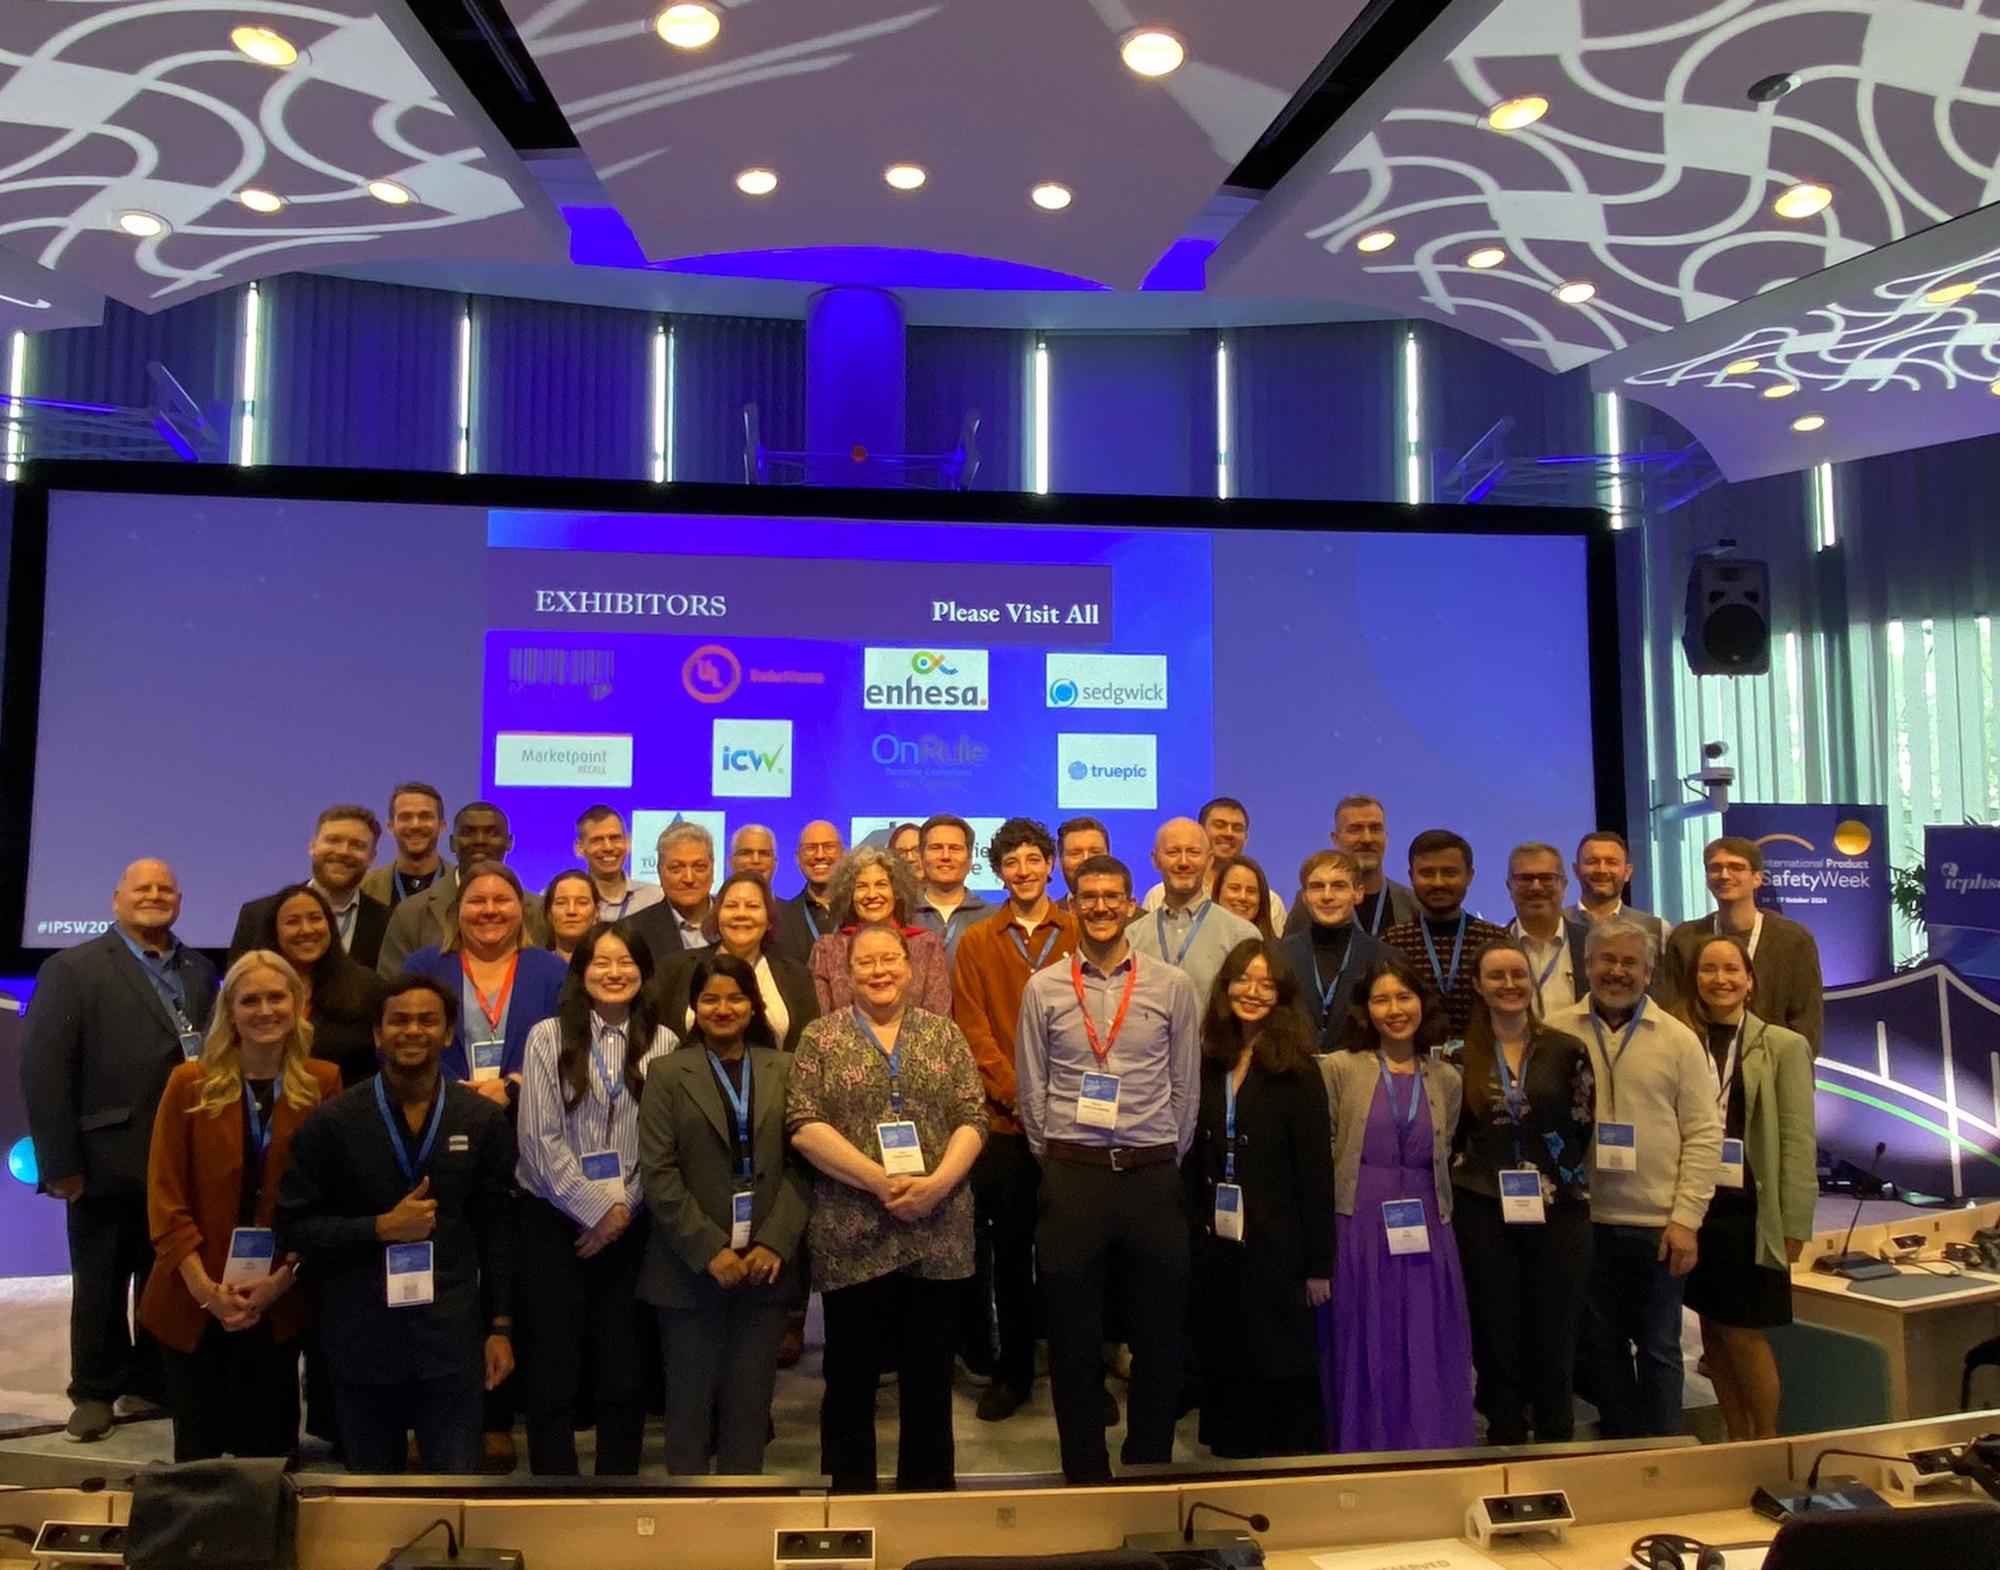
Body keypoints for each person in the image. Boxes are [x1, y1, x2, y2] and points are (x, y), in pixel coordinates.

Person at [277, 975, 516, 1474]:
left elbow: (498, 1230)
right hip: (362, 1337)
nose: (412, 1030)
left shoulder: (481, 1120)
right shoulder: (333, 1123)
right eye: (399, 1020)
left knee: (455, 1490)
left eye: (427, 1020)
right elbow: (295, 1226)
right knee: (373, 1494)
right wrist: (381, 1228)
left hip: (450, 1339)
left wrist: (500, 1327)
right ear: (377, 1033)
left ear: (448, 1034)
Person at [1017, 853, 1200, 1485]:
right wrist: (1061, 1158)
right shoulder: (1043, 988)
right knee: (1072, 1336)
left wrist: (1161, 1150)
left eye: (1111, 897)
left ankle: (1149, 1466)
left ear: (1130, 905)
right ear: (1071, 906)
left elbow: (1185, 1087)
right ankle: (1084, 1474)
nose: (1099, 907)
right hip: (1074, 1176)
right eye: (1087, 897)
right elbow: (1033, 1089)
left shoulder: (1171, 985)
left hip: (1151, 1174)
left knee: (1159, 1333)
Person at [22, 859, 220, 1442]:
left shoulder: (200, 969)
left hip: (179, 1156)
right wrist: (59, 1165)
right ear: (116, 900)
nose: (155, 896)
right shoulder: (72, 968)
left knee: (165, 1275)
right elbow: (44, 1070)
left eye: (165, 888)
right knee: (101, 1284)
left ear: (179, 900)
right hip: (102, 1159)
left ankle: (151, 1381)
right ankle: (93, 1391)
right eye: (143, 888)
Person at [786, 924, 986, 1492]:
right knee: (849, 1381)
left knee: (929, 1383)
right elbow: (802, 1123)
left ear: (910, 966)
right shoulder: (821, 1038)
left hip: (936, 1231)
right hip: (852, 1233)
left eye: (890, 960)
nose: (879, 972)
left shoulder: (943, 1034)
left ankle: (925, 1507)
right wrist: (880, 1182)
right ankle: (850, 1509)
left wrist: (935, 1185)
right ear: (847, 972)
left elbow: (973, 1117)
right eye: (866, 962)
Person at [139, 952, 339, 1461]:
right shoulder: (188, 1083)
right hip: (193, 1296)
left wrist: (280, 1282)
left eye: (276, 997)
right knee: (198, 1459)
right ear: (229, 1012)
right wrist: (206, 1290)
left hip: (277, 1301)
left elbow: (327, 1198)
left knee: (267, 1455)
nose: (265, 1010)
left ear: (298, 1005)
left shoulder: (324, 1083)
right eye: (250, 1000)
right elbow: (165, 1196)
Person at [1546, 918, 1721, 1440]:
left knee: (1661, 1348)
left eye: (1630, 963)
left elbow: (1704, 1134)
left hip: (1658, 1224)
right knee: (1600, 1346)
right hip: (1585, 1219)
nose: (1617, 972)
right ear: (1587, 966)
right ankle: (1623, 1452)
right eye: (1607, 960)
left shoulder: (1679, 1040)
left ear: (1648, 972)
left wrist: (1687, 1220)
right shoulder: (1556, 1031)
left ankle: (1664, 1454)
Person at [639, 952, 810, 1474]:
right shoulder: (667, 1073)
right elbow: (658, 1173)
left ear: (753, 1005)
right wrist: (709, 1249)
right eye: (710, 998)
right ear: (694, 1007)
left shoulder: (785, 1068)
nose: (723, 1008)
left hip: (764, 1269)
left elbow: (803, 1166)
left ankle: (742, 1513)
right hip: (688, 1271)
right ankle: (688, 1521)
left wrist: (774, 1242)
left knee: (749, 1412)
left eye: (735, 998)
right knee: (688, 1413)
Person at [513, 923, 675, 1475]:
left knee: (623, 1371)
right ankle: (553, 1488)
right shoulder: (547, 1037)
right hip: (553, 1220)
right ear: (581, 972)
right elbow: (538, 1141)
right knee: (552, 1369)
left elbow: (662, 1145)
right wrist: (595, 1210)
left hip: (630, 1223)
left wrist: (621, 1211)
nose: (614, 973)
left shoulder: (664, 1043)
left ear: (643, 972)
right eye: (601, 962)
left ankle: (617, 1487)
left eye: (625, 962)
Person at [1183, 939, 1333, 1458]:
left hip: (1279, 1244)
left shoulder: (1298, 1071)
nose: (1252, 991)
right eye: (1243, 980)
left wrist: (1319, 1265)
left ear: (1283, 994)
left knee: (1278, 1355)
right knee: (1226, 1348)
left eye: (1266, 983)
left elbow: (1315, 1172)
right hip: (1218, 1241)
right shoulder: (1210, 1061)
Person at [1321, 955, 1475, 1452]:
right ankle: (1366, 1443)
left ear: (1422, 1003)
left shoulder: (1446, 1078)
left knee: (1426, 1334)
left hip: (1428, 1222)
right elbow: (1328, 1144)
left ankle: (1430, 1442)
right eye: (1381, 1000)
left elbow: (1444, 1144)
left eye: (1404, 997)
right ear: (1365, 1010)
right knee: (1369, 1334)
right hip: (1361, 1221)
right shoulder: (1340, 1069)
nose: (1394, 1010)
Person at [949, 816, 1074, 1421]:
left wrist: (1053, 1103)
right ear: (998, 872)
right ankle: (1014, 1373)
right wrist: (1019, 1097)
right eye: (1011, 862)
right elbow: (972, 1029)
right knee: (1010, 1256)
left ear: (1050, 865)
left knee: (1073, 1257)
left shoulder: (1079, 931)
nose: (1023, 871)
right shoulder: (978, 941)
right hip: (1005, 1125)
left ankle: (1079, 1374)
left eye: (1033, 859)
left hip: (1075, 1125)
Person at [1450, 938, 1596, 1445]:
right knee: (1496, 1333)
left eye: (1518, 974)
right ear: (1477, 985)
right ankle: (1506, 1436)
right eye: (1496, 976)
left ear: (1531, 981)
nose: (1509, 984)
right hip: (1481, 1207)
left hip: (1560, 1209)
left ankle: (1556, 1438)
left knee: (1555, 1332)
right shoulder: (1456, 1056)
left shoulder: (1566, 1049)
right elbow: (1453, 1133)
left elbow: (1582, 1125)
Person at [1673, 933, 1817, 1440]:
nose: (1721, 979)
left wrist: (1795, 1222)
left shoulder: (1782, 1046)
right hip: (1695, 1206)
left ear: (1750, 981)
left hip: (1750, 1213)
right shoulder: (1681, 1041)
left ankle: (1768, 1442)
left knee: (1742, 1331)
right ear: (1694, 980)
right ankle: (1735, 1439)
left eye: (1732, 969)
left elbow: (1797, 1138)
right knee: (1712, 1329)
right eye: (1709, 969)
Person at [404, 862, 567, 1103]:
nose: (490, 910)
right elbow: (399, 1040)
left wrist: (515, 1085)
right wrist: (450, 1089)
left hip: (528, 1110)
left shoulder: (554, 972)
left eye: (502, 900)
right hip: (441, 1108)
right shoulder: (423, 969)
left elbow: (570, 1044)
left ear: (521, 909)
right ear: (458, 909)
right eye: (477, 901)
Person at [1661, 837, 1824, 1053]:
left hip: (1771, 1062)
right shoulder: (1685, 938)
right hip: (1700, 1061)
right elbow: (1671, 1011)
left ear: (1757, 878)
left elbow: (1807, 1020)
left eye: (1736, 867)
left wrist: (1788, 1064)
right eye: (1715, 868)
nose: (1724, 875)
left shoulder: (1794, 939)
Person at [654, 873, 820, 1052]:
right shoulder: (677, 969)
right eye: (731, 906)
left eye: (752, 906)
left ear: (768, 919)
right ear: (717, 915)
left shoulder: (796, 976)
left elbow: (807, 1047)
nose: (741, 914)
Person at [378, 802, 548, 975]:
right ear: (452, 843)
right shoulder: (411, 912)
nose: (480, 840)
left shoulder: (540, 911)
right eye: (468, 832)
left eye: (492, 833)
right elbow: (392, 984)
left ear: (509, 842)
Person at [1382, 829, 1507, 1045]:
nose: (1438, 883)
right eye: (1427, 873)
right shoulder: (1391, 943)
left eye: (1449, 873)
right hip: (1411, 1059)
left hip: (1487, 1057)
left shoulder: (1496, 941)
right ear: (1411, 877)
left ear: (1469, 876)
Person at [258, 883, 386, 1089]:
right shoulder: (253, 990)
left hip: (345, 1103)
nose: (306, 930)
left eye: (315, 919)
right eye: (292, 922)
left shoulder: (368, 988)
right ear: (275, 933)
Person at [231, 806, 390, 970]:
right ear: (312, 846)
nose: (343, 852)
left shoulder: (387, 924)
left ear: (372, 858)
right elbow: (236, 984)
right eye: (333, 840)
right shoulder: (257, 916)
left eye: (357, 845)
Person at [1127, 818, 1259, 1005]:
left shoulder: (1241, 935)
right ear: (1155, 860)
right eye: (1173, 852)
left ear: (1209, 860)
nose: (1183, 862)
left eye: (1193, 852)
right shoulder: (1131, 938)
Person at [808, 847, 952, 1015]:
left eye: (881, 885)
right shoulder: (827, 949)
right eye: (861, 886)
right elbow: (819, 1019)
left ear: (896, 892)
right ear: (849, 896)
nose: (872, 895)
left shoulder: (927, 945)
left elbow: (940, 1017)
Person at [1278, 851, 1392, 1053]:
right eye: (1317, 887)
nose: (1327, 896)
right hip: (1291, 1067)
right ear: (1304, 897)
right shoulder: (1279, 955)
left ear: (1358, 893)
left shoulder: (1384, 959)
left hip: (1360, 1068)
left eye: (1339, 886)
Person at [1286, 795, 1420, 937]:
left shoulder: (1412, 903)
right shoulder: (1311, 903)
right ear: (1335, 839)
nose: (1367, 839)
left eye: (1375, 829)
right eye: (1355, 829)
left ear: (1386, 837)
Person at [1145, 799, 1285, 929]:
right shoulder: (1159, 895)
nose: (1229, 834)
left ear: (1246, 837)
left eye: (1237, 828)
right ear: (1201, 831)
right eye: (1220, 825)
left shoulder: (1269, 902)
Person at [1504, 842, 1590, 1018]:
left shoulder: (1591, 943)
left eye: (1547, 878)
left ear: (1564, 885)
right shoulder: (1493, 945)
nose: (1536, 887)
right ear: (1509, 887)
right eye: (1525, 879)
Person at [629, 821, 718, 967]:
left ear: (713, 869)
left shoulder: (737, 922)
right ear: (659, 872)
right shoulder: (633, 931)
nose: (689, 878)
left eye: (699, 867)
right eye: (676, 868)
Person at [1568, 831, 1669, 955]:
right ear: (1576, 870)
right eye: (1592, 862)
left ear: (1627, 872)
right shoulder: (1558, 924)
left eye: (1612, 862)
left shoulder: (1656, 929)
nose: (1602, 870)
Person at [914, 814, 993, 959]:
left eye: (955, 849)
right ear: (921, 857)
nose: (945, 856)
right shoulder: (902, 915)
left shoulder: (992, 919)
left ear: (970, 859)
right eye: (936, 848)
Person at [362, 783, 449, 910]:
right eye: (405, 817)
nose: (415, 825)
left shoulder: (463, 884)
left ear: (442, 826)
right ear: (390, 827)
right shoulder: (364, 888)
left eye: (425, 816)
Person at [575, 805, 663, 922]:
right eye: (597, 840)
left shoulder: (655, 898)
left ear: (627, 842)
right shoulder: (567, 902)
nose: (608, 847)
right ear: (580, 848)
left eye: (615, 838)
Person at [776, 820, 844, 964]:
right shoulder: (780, 919)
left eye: (829, 847)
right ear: (798, 858)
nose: (819, 855)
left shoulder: (858, 912)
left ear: (843, 853)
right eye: (810, 848)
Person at [1210, 854, 1279, 941]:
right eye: (1234, 888)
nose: (1243, 897)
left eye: (1251, 891)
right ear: (1218, 892)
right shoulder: (1200, 940)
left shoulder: (1278, 948)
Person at [541, 869, 598, 965]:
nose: (571, 911)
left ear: (596, 912)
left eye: (582, 903)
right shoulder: (534, 967)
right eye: (561, 903)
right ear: (548, 913)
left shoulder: (612, 970)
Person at [1054, 817, 1109, 911]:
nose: (1086, 860)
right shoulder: (1045, 918)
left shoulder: (1134, 918)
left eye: (1095, 852)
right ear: (1060, 862)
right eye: (1075, 854)